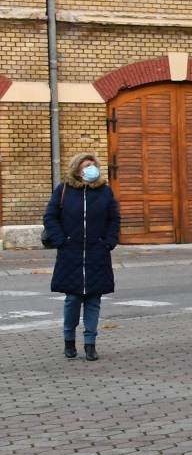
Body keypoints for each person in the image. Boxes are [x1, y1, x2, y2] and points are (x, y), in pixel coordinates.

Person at [43, 152, 120, 362]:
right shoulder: (64, 190)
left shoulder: (104, 191)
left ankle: (90, 344)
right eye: (86, 165)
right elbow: (50, 217)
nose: (91, 168)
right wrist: (61, 241)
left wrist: (109, 242)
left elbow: (114, 218)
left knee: (94, 299)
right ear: (77, 169)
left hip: (97, 252)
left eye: (93, 164)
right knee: (73, 299)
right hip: (71, 252)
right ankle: (69, 340)